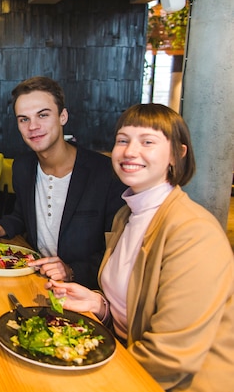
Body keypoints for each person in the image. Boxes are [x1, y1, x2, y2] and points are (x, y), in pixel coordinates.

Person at [47, 103, 234, 391]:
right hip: (127, 362)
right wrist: (100, 305)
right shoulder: (127, 215)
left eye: (148, 141)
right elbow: (134, 311)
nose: (130, 151)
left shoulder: (194, 232)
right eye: (123, 140)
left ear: (176, 154)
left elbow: (170, 358)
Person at [0, 77, 126, 289]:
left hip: (86, 292)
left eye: (43, 115)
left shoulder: (105, 173)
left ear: (62, 116)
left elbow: (118, 251)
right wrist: (0, 228)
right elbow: (23, 215)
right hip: (35, 280)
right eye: (23, 119)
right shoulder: (23, 167)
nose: (33, 127)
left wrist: (71, 271)